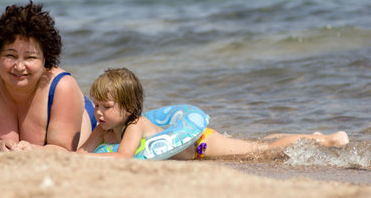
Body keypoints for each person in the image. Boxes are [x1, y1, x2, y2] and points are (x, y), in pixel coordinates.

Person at [77, 68, 350, 159]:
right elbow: (82, 155)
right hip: (195, 150)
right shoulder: (104, 127)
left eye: (106, 106)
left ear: (129, 107)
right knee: (260, 142)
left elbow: (124, 158)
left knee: (261, 152)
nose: (98, 112)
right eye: (96, 105)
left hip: (201, 146)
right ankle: (306, 135)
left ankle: (324, 140)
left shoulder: (135, 125)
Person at [0, 1, 96, 152]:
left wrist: (34, 150)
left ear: (45, 59)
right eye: (10, 55)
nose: (19, 67)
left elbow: (64, 151)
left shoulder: (63, 86)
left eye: (30, 57)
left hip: (69, 108)